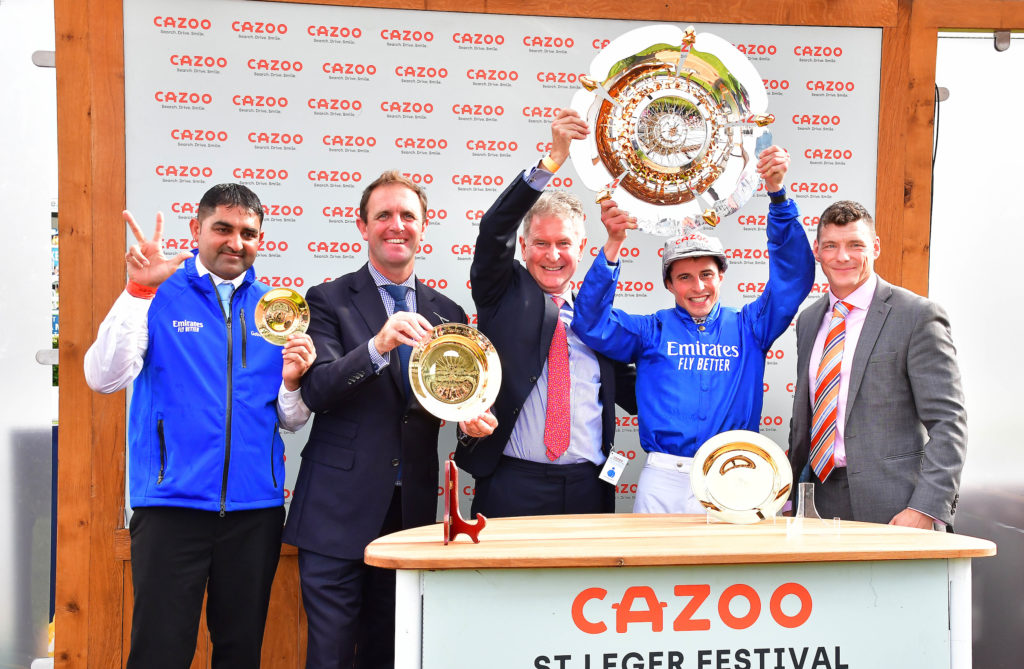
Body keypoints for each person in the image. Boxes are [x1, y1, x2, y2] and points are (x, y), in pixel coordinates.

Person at [84, 183, 316, 669]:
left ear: (261, 238)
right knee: (160, 652)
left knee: (240, 652)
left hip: (256, 511)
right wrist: (138, 290)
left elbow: (290, 421)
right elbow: (103, 378)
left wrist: (293, 382)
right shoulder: (157, 292)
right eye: (223, 229)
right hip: (172, 507)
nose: (236, 242)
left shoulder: (276, 310)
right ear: (196, 230)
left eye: (248, 233)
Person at [282, 171, 496, 669]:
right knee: (331, 656)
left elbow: (452, 402)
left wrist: (467, 420)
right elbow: (316, 390)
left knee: (391, 653)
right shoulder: (328, 299)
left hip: (412, 515)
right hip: (335, 515)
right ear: (362, 226)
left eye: (407, 216)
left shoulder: (449, 314)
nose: (395, 225)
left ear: (424, 228)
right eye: (383, 216)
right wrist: (378, 345)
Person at [572, 147, 814, 513]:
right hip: (663, 477)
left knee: (726, 573)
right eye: (684, 277)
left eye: (706, 275)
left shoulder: (751, 326)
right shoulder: (651, 329)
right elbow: (590, 323)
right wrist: (613, 245)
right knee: (652, 571)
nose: (698, 287)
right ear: (669, 284)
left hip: (733, 475)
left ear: (721, 277)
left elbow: (793, 279)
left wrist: (778, 197)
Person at [455, 109, 637, 518]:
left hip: (589, 486)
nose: (552, 255)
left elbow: (642, 391)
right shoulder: (501, 293)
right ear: (523, 247)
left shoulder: (598, 319)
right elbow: (493, 229)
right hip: (511, 483)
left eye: (564, 243)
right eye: (540, 243)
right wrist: (552, 160)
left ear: (582, 247)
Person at [787, 200, 967, 528]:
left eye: (856, 245)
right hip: (817, 504)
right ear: (817, 251)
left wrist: (926, 508)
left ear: (876, 247)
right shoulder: (809, 321)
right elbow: (806, 419)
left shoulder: (917, 316)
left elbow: (948, 422)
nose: (842, 257)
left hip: (897, 510)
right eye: (831, 246)